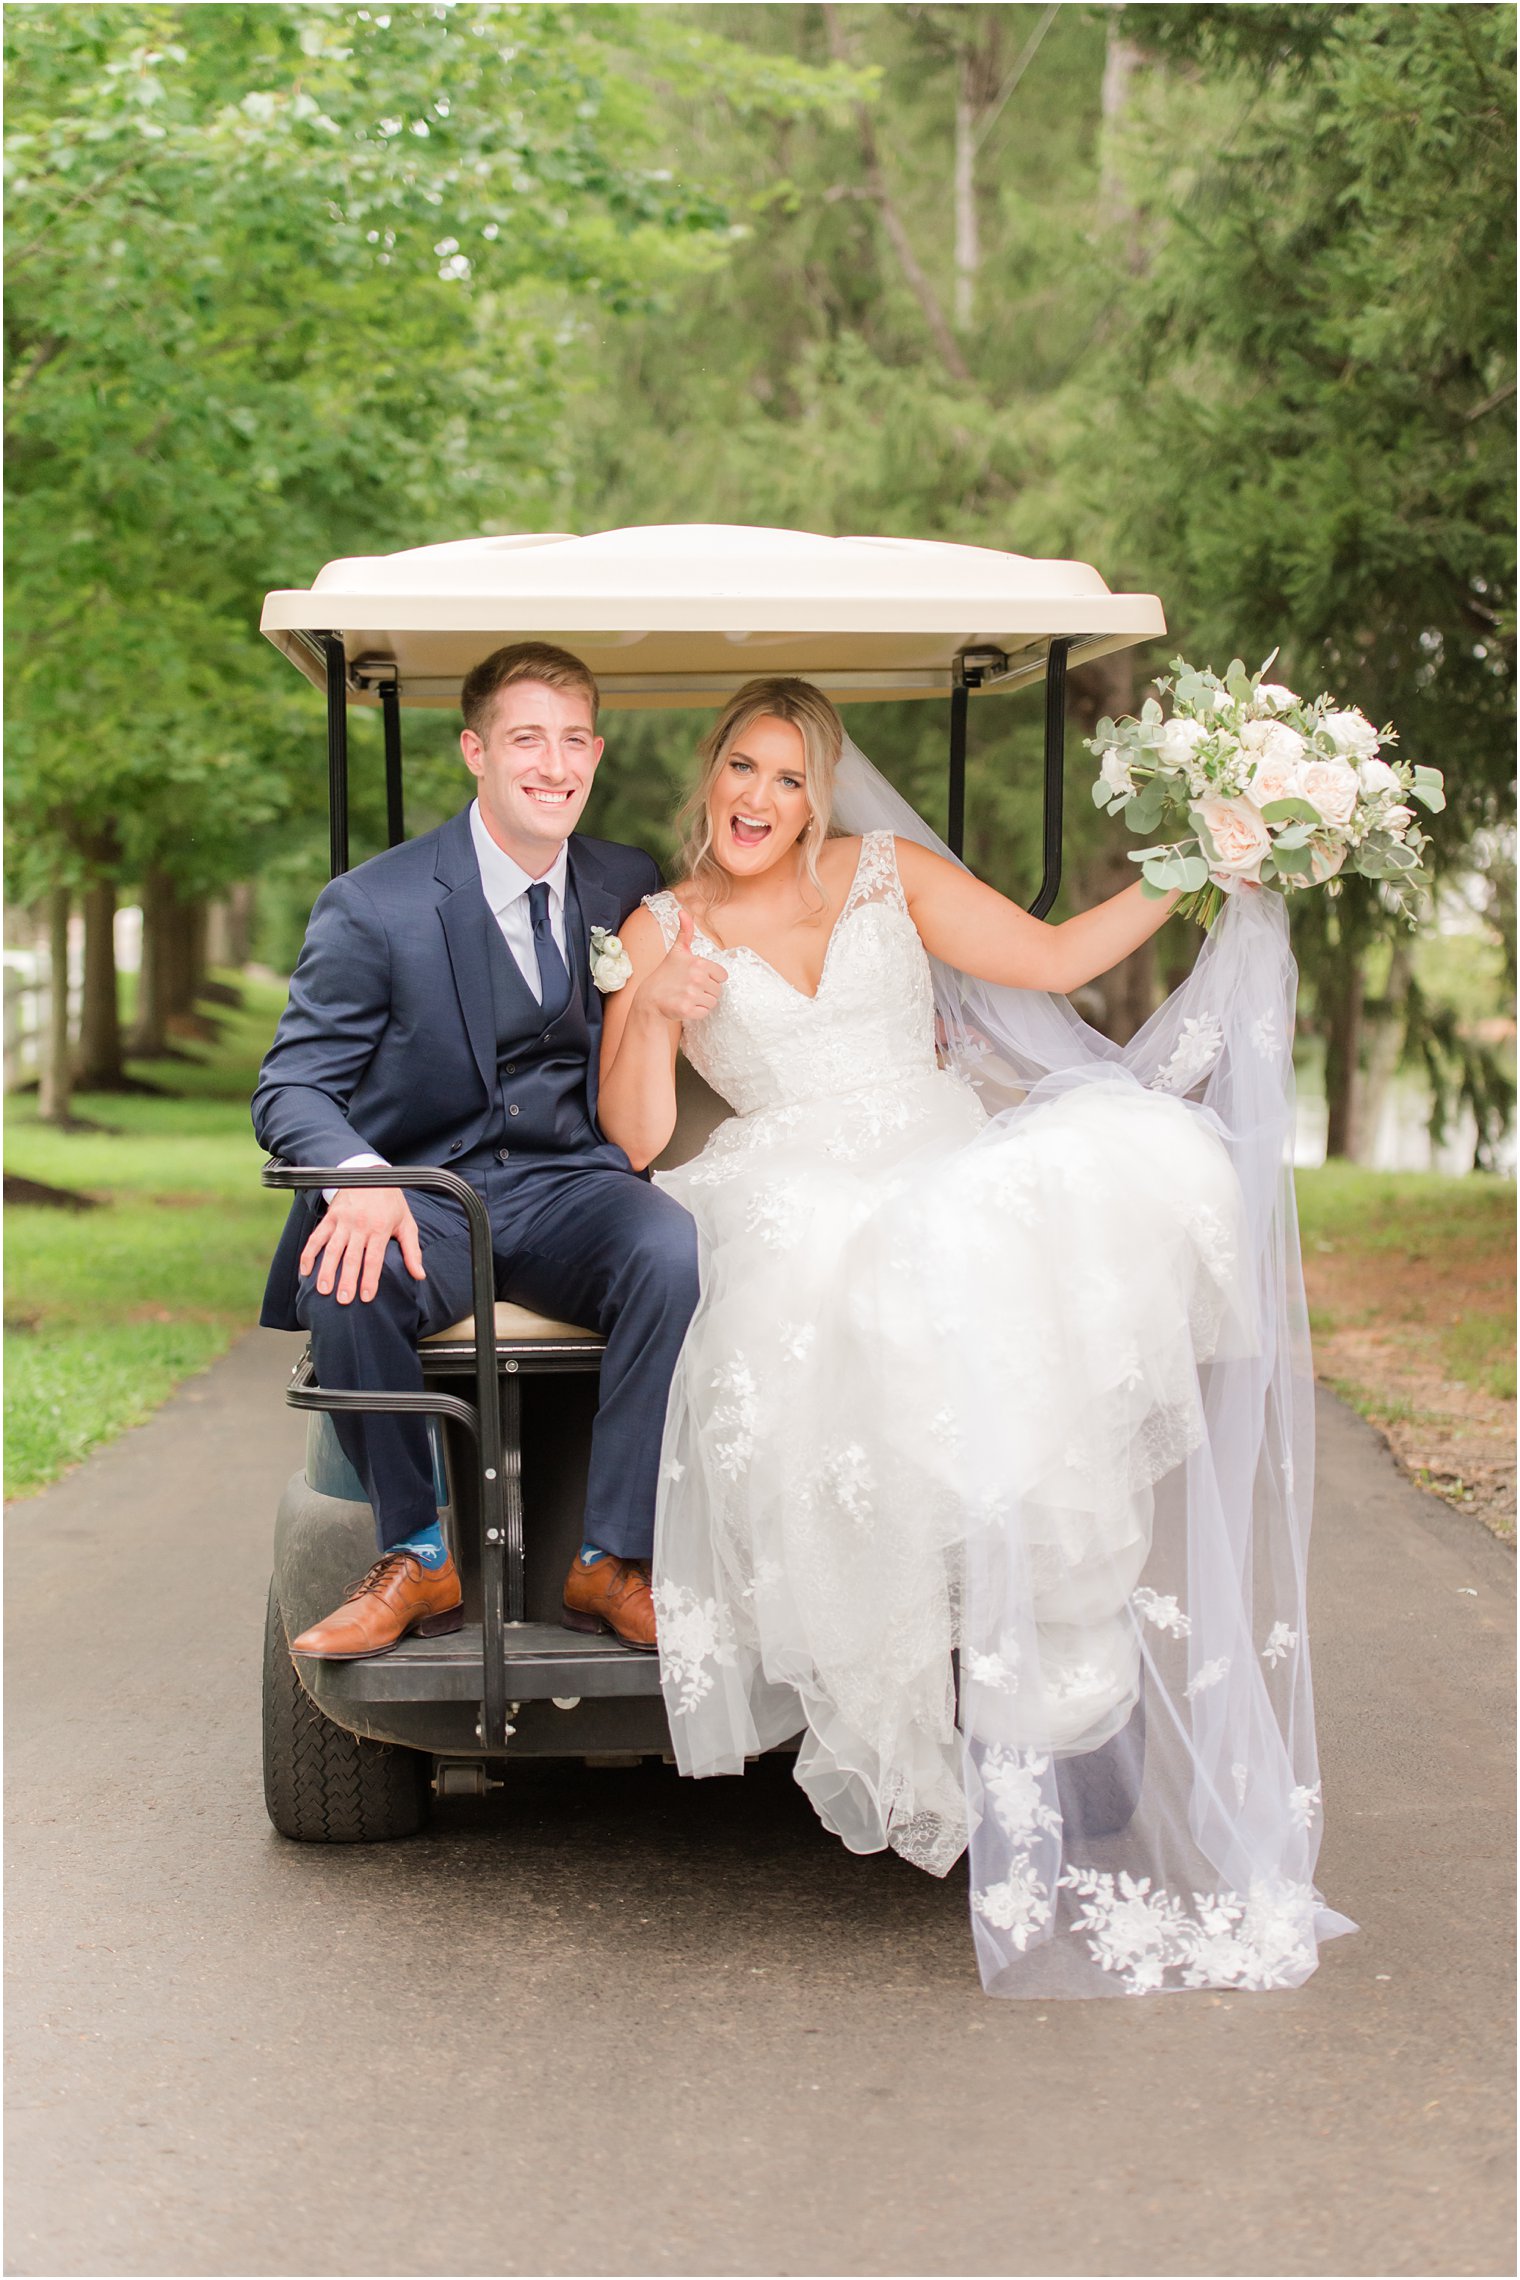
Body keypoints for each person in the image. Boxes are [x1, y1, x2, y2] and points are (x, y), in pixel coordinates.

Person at [598, 675, 1353, 1999]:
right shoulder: (659, 928)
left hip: (934, 1153)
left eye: (789, 778)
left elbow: (1055, 961)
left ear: (819, 795)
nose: (760, 799)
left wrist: (1200, 865)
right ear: (708, 778)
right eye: (742, 770)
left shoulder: (887, 873)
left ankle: (1031, 1649)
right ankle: (929, 1645)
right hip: (790, 1193)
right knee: (874, 1282)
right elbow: (644, 1139)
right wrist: (658, 1006)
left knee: (1057, 1193)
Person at [252, 642, 698, 1659]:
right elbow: (292, 1084)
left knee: (672, 1252)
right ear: (474, 752)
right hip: (433, 1196)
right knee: (347, 1273)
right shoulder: (377, 906)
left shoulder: (620, 881)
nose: (554, 765)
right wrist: (360, 1181)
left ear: (595, 750)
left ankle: (610, 1560)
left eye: (574, 739)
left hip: (573, 1187)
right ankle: (417, 1553)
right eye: (526, 738)